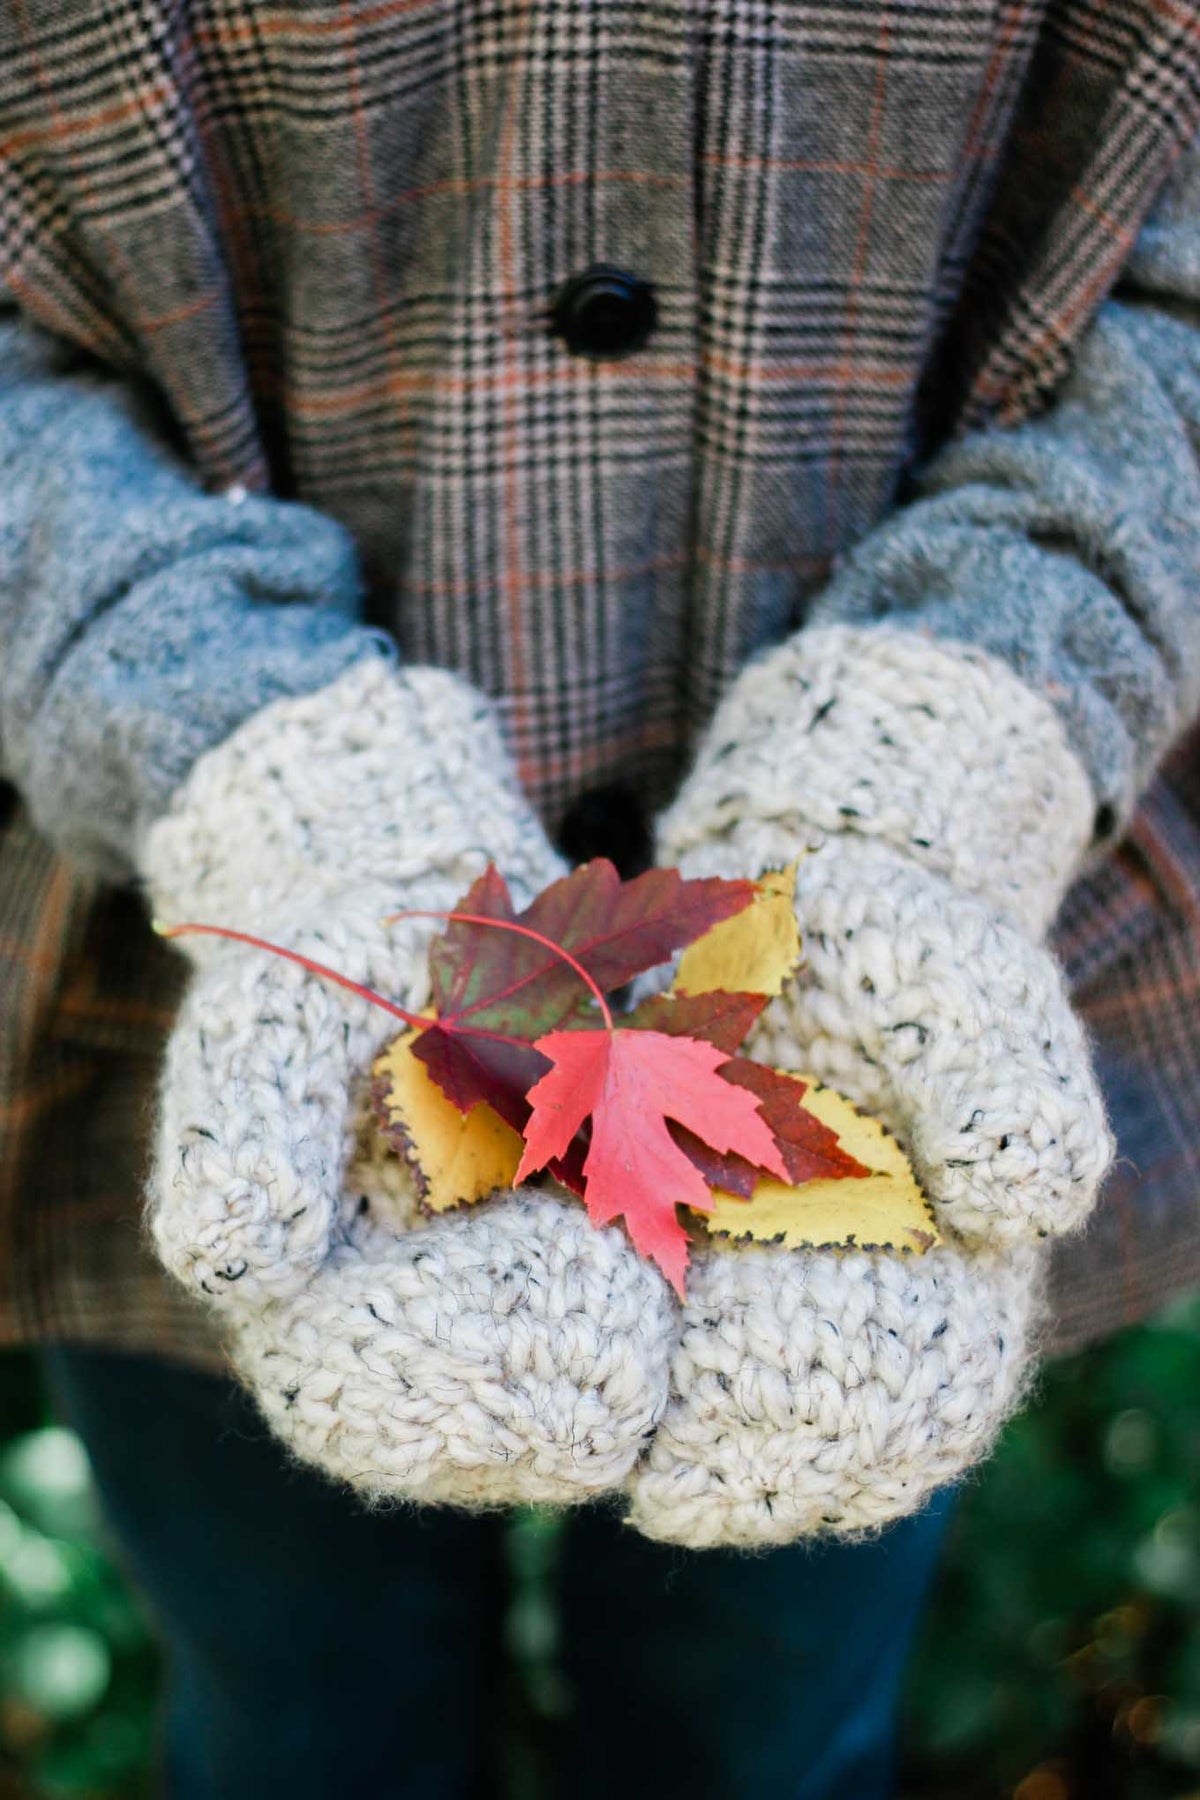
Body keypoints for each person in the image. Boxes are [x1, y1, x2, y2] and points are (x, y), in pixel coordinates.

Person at [1, 5, 1199, 1795]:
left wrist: (955, 737)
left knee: (767, 1741)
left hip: (942, 949)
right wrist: (244, 751)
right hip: (185, 994)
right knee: (301, 1726)